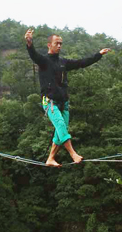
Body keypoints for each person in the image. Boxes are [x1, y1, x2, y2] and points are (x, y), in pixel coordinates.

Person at [25, 28, 112, 167]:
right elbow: (34, 55)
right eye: (56, 43)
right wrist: (29, 43)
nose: (59, 45)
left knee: (61, 131)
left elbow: (81, 63)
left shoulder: (63, 62)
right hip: (50, 102)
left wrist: (98, 55)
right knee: (60, 126)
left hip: (64, 103)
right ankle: (73, 154)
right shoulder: (44, 61)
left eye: (61, 43)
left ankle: (50, 158)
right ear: (49, 45)